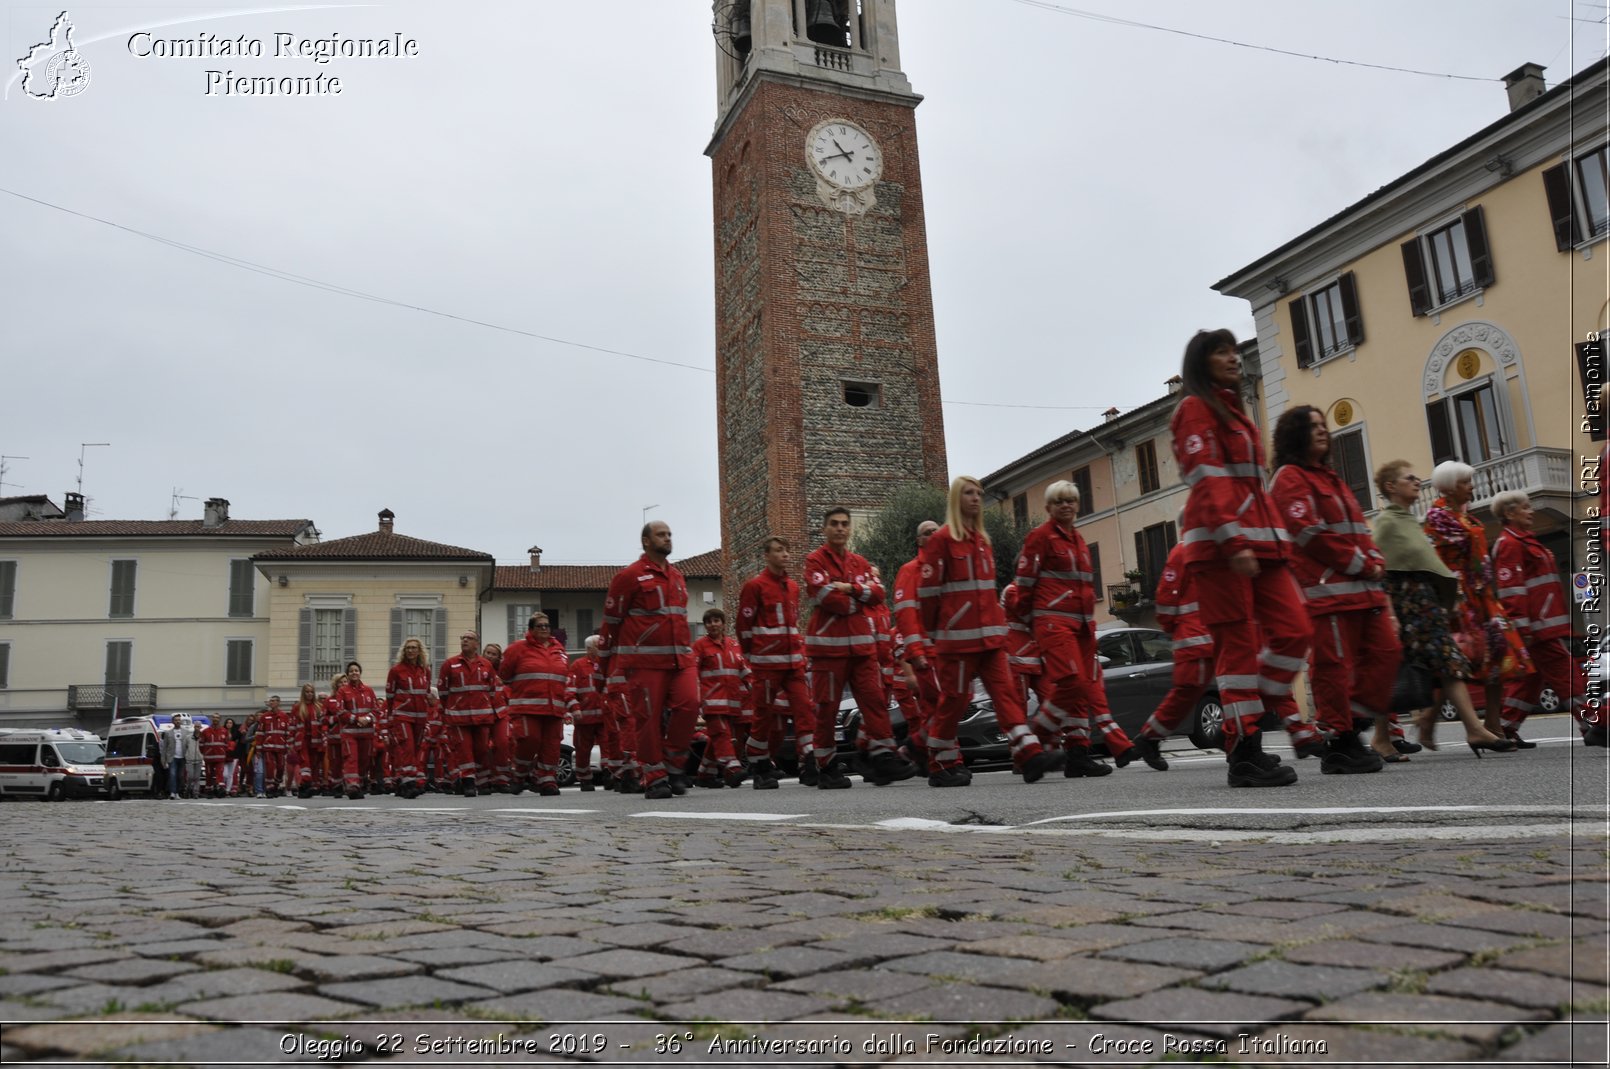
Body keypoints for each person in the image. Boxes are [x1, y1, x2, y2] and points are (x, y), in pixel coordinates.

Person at [1170, 329, 1318, 788]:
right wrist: (1234, 542)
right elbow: (1210, 482)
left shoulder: (1240, 414)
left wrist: (1280, 548)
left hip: (1264, 547)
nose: (1233, 358)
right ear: (1201, 363)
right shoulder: (1195, 410)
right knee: (1236, 653)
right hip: (1221, 550)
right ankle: (1246, 751)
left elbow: (1254, 487)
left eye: (1234, 350)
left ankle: (1253, 718)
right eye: (1221, 352)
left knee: (1296, 629)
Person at [1270, 406, 1397, 774]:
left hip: (1362, 588)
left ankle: (1348, 723)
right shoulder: (1289, 478)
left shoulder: (1331, 478)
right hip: (1329, 591)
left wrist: (1375, 559)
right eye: (1312, 427)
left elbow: (1357, 527)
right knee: (1333, 668)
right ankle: (1340, 741)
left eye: (1323, 425)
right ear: (1295, 435)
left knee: (1387, 652)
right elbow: (1309, 532)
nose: (1322, 431)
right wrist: (1363, 563)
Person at [919, 476, 1064, 787]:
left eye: (979, 493)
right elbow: (928, 597)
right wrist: (935, 634)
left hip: (991, 639)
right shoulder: (941, 541)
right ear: (957, 499)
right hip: (956, 642)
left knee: (1006, 697)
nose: (975, 498)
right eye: (969, 493)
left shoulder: (982, 541)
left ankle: (1028, 755)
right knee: (954, 702)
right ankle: (938, 763)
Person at [1370, 460, 1513, 755]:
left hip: (1425, 606)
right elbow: (1379, 571)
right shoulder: (1386, 523)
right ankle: (1383, 737)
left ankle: (1472, 729)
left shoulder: (1410, 521)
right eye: (1409, 478)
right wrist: (1391, 615)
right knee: (1396, 671)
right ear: (1391, 487)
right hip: (1406, 608)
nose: (1416, 481)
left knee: (1448, 663)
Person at [1014, 480, 1136, 776]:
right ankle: (1037, 738)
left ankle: (1073, 756)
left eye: (1070, 500)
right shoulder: (1040, 537)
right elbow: (1025, 583)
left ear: (1078, 504)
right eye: (1059, 502)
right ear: (1048, 508)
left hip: (1081, 624)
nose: (1066, 506)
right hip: (1053, 621)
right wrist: (1031, 621)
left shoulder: (1079, 540)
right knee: (1073, 683)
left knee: (1082, 689)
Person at [1424, 460, 1534, 751]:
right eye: (1465, 482)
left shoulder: (1467, 517)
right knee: (1454, 667)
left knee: (1498, 657)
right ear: (1449, 486)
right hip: (1458, 600)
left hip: (1482, 597)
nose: (1472, 487)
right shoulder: (1437, 517)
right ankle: (1429, 721)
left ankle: (1494, 724)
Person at [803, 507, 915, 788]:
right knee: (826, 710)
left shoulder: (860, 562)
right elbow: (827, 597)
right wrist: (858, 596)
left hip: (862, 650)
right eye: (834, 524)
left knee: (875, 702)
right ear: (825, 529)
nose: (840, 528)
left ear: (849, 529)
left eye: (844, 524)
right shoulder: (814, 560)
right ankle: (826, 767)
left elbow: (878, 594)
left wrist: (850, 589)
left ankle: (882, 757)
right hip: (828, 651)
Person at [1491, 490, 1604, 747]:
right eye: (1525, 507)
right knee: (1569, 676)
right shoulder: (1510, 543)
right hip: (1536, 628)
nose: (1531, 511)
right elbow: (1512, 591)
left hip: (1540, 626)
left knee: (1530, 680)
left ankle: (1505, 728)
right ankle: (1595, 724)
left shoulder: (1523, 540)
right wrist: (1522, 628)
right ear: (1510, 513)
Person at [598, 521, 700, 800]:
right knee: (648, 721)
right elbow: (611, 623)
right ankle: (655, 776)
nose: (667, 539)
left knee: (690, 705)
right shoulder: (629, 576)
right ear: (645, 541)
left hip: (681, 660)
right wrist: (603, 668)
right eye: (661, 535)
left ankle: (673, 763)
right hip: (644, 663)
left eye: (669, 534)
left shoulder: (678, 576)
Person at [738, 535, 815, 791]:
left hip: (794, 664)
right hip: (766, 665)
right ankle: (759, 763)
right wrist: (753, 656)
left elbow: (792, 624)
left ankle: (810, 760)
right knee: (764, 716)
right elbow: (744, 626)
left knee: (804, 709)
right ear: (766, 556)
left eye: (786, 550)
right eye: (779, 551)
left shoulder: (792, 586)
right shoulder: (755, 586)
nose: (785, 555)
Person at [1131, 542, 1208, 770]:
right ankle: (1149, 738)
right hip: (1196, 636)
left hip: (1207, 633)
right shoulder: (1184, 551)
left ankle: (1243, 745)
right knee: (1187, 691)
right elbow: (1166, 597)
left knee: (1237, 688)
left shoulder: (1213, 546)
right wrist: (1174, 628)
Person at [499, 615, 570, 796]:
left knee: (552, 745)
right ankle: (520, 773)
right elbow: (505, 675)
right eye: (540, 626)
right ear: (531, 629)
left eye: (547, 625)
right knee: (529, 740)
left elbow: (563, 678)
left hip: (554, 707)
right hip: (526, 707)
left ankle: (546, 780)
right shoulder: (517, 649)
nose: (544, 629)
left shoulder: (559, 650)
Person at [892, 520, 943, 767]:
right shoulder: (910, 570)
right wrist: (914, 653)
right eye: (927, 532)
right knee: (944, 705)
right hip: (926, 651)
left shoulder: (947, 567)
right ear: (919, 540)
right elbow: (905, 614)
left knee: (945, 707)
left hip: (949, 651)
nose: (933, 535)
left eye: (937, 530)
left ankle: (917, 749)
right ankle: (942, 762)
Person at [692, 608, 749, 788]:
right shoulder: (700, 646)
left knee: (717, 737)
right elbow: (693, 673)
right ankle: (732, 768)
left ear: (723, 623)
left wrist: (755, 687)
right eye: (709, 622)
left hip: (732, 701)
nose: (713, 624)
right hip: (712, 700)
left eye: (716, 620)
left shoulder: (734, 645)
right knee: (721, 734)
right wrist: (696, 699)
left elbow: (744, 670)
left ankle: (705, 774)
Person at [437, 631, 499, 797]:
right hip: (458, 718)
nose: (464, 640)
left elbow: (492, 690)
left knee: (481, 749)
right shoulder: (449, 664)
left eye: (469, 638)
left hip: (482, 717)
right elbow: (443, 692)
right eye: (462, 638)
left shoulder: (486, 664)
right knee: (464, 750)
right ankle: (468, 782)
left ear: (476, 643)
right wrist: (451, 708)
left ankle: (482, 781)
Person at [386, 638, 433, 799]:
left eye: (414, 648)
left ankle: (401, 780)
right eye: (408, 648)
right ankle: (408, 783)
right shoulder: (396, 670)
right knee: (407, 747)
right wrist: (391, 716)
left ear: (419, 651)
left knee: (415, 748)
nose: (411, 651)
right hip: (402, 715)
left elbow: (426, 692)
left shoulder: (425, 670)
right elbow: (390, 696)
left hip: (420, 716)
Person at [568, 635, 609, 791]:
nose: (601, 649)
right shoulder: (578, 666)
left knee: (608, 747)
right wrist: (575, 709)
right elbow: (570, 691)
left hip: (604, 716)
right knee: (582, 749)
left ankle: (608, 773)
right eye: (598, 646)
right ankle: (585, 779)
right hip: (585, 717)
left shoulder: (605, 664)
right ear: (589, 649)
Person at [337, 661, 381, 799]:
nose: (354, 673)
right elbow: (340, 710)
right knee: (351, 759)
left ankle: (360, 783)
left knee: (364, 761)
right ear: (348, 674)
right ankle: (352, 786)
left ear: (360, 673)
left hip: (366, 733)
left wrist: (367, 719)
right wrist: (356, 719)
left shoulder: (369, 690)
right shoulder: (342, 691)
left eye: (356, 670)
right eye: (351, 671)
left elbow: (377, 710)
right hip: (350, 733)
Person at [483, 643, 513, 793]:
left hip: (500, 714)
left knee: (503, 744)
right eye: (488, 653)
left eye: (493, 654)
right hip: (482, 714)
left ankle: (501, 779)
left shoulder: (503, 673)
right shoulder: (478, 668)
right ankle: (485, 778)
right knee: (483, 747)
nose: (490, 656)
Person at [257, 695, 289, 797]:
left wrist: (288, 744)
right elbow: (260, 733)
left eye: (273, 701)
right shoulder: (264, 716)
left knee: (280, 767)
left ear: (279, 702)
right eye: (270, 701)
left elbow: (288, 732)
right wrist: (258, 747)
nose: (271, 703)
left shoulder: (284, 716)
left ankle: (276, 784)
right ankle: (269, 788)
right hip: (268, 746)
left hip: (281, 747)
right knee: (269, 767)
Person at [200, 716, 230, 796]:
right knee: (209, 774)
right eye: (214, 718)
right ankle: (209, 790)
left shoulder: (224, 731)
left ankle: (220, 789)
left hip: (220, 757)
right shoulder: (205, 731)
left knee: (219, 773)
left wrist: (223, 751)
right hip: (209, 757)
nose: (215, 719)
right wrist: (205, 753)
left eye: (217, 718)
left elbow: (227, 743)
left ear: (219, 719)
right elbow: (201, 745)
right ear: (211, 719)